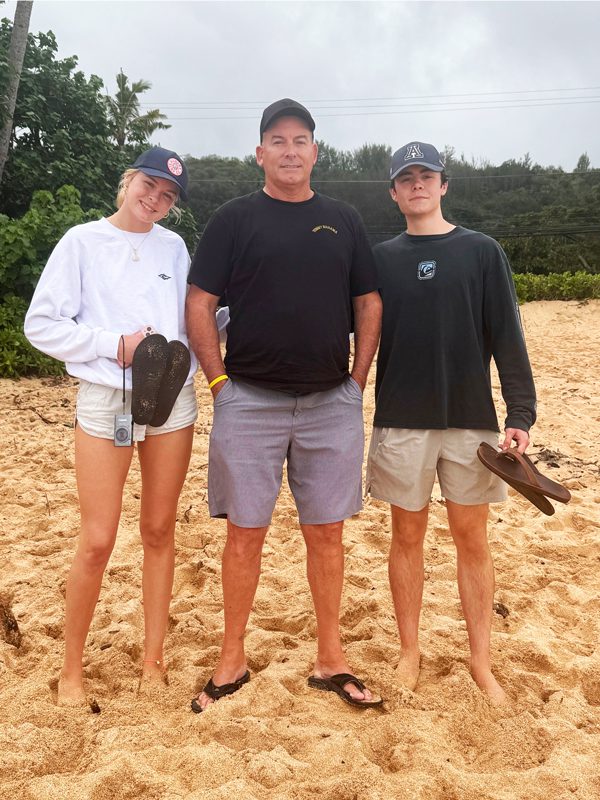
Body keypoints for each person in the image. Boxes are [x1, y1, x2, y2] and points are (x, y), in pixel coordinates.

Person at [186, 99, 383, 711]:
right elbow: (199, 301)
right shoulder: (233, 219)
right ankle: (232, 658)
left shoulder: (344, 219)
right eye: (278, 140)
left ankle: (331, 658)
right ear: (260, 153)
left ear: (316, 152)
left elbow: (369, 303)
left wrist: (355, 382)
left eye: (301, 140)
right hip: (249, 400)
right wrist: (218, 384)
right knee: (245, 534)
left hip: (331, 403)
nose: (291, 150)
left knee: (326, 533)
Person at [24, 146, 197, 705]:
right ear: (128, 181)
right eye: (149, 185)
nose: (156, 199)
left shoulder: (174, 247)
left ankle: (153, 661)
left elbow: (188, 326)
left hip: (171, 401)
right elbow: (41, 325)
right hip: (107, 402)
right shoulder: (81, 241)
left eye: (168, 196)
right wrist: (111, 346)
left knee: (158, 530)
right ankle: (71, 670)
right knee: (98, 539)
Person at [366, 142, 536, 705]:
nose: (417, 184)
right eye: (405, 178)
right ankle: (409, 651)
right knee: (406, 537)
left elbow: (507, 336)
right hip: (400, 419)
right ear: (394, 193)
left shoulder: (481, 252)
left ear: (444, 185)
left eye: (427, 175)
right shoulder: (379, 258)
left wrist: (520, 414)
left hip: (471, 420)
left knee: (472, 538)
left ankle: (481, 661)